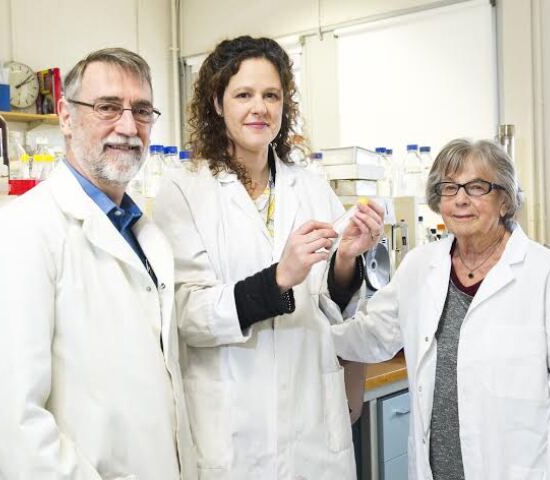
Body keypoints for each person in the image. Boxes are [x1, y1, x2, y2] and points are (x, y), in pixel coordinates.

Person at [152, 36, 384, 478]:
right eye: (244, 94)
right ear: (217, 104)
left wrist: (347, 260)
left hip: (310, 424)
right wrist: (278, 278)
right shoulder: (183, 191)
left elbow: (332, 303)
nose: (259, 108)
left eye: (271, 95)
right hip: (232, 431)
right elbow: (185, 314)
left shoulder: (310, 187)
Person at [0, 48, 196, 479]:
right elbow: (17, 428)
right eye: (108, 107)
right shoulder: (17, 234)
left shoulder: (145, 235)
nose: (128, 127)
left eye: (142, 111)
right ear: (66, 117)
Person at [332, 138, 550, 479]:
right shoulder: (420, 266)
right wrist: (301, 333)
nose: (460, 199)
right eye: (449, 188)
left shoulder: (548, 274)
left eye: (476, 187)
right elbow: (372, 336)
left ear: (505, 200)